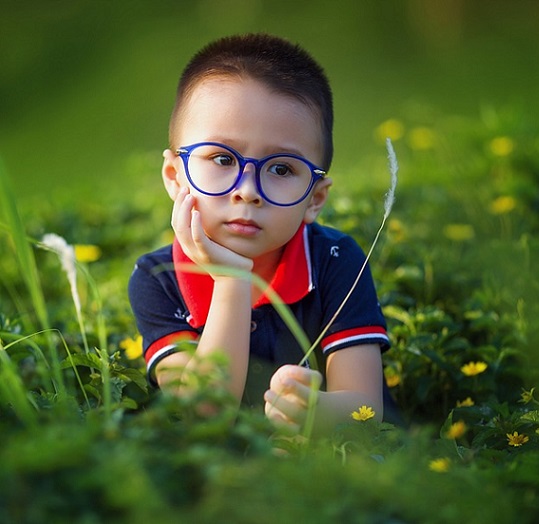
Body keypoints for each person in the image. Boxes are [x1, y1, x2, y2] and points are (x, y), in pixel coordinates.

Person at [129, 33, 395, 435]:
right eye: (221, 158)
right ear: (174, 176)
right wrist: (232, 279)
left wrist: (313, 412)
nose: (247, 191)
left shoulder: (335, 261)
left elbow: (365, 410)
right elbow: (203, 414)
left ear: (315, 199)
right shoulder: (157, 278)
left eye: (282, 169)